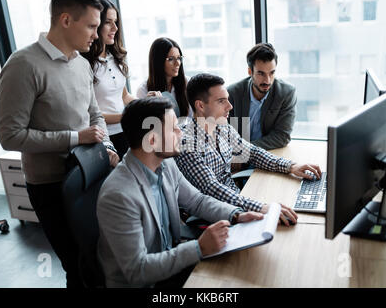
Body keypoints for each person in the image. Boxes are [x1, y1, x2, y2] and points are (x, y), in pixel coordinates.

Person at [0, 0, 119, 288]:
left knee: (99, 257)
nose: (97, 33)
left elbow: (95, 115)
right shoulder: (22, 65)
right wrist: (75, 138)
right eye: (92, 25)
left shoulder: (81, 63)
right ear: (66, 20)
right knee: (77, 266)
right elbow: (10, 136)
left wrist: (106, 145)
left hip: (90, 174)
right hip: (51, 186)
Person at [96, 97, 263, 288]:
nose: (181, 134)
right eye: (174, 129)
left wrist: (236, 215)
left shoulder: (165, 163)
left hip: (171, 261)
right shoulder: (119, 196)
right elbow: (137, 271)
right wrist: (198, 248)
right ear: (152, 140)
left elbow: (197, 201)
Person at [175, 73, 322, 226]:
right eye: (221, 101)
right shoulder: (187, 143)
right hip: (218, 217)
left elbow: (253, 153)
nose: (230, 106)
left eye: (228, 99)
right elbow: (212, 189)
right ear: (200, 105)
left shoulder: (221, 127)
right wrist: (262, 207)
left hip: (238, 200)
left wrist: (291, 166)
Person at [82, 0, 136, 158]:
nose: (115, 28)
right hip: (106, 138)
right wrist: (125, 117)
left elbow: (124, 96)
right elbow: (88, 113)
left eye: (116, 22)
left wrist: (145, 104)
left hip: (126, 131)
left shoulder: (115, 57)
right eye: (108, 22)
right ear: (96, 24)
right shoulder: (85, 64)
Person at [227, 43, 297, 150]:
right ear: (250, 71)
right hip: (236, 157)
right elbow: (225, 133)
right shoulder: (233, 93)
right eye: (261, 73)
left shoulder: (286, 93)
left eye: (272, 73)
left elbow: (282, 136)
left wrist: (246, 149)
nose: (267, 80)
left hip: (267, 154)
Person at [136, 37, 192, 118]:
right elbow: (146, 124)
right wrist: (148, 107)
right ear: (158, 61)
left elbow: (192, 117)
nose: (177, 63)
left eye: (179, 58)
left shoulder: (187, 82)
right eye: (171, 59)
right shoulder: (143, 90)